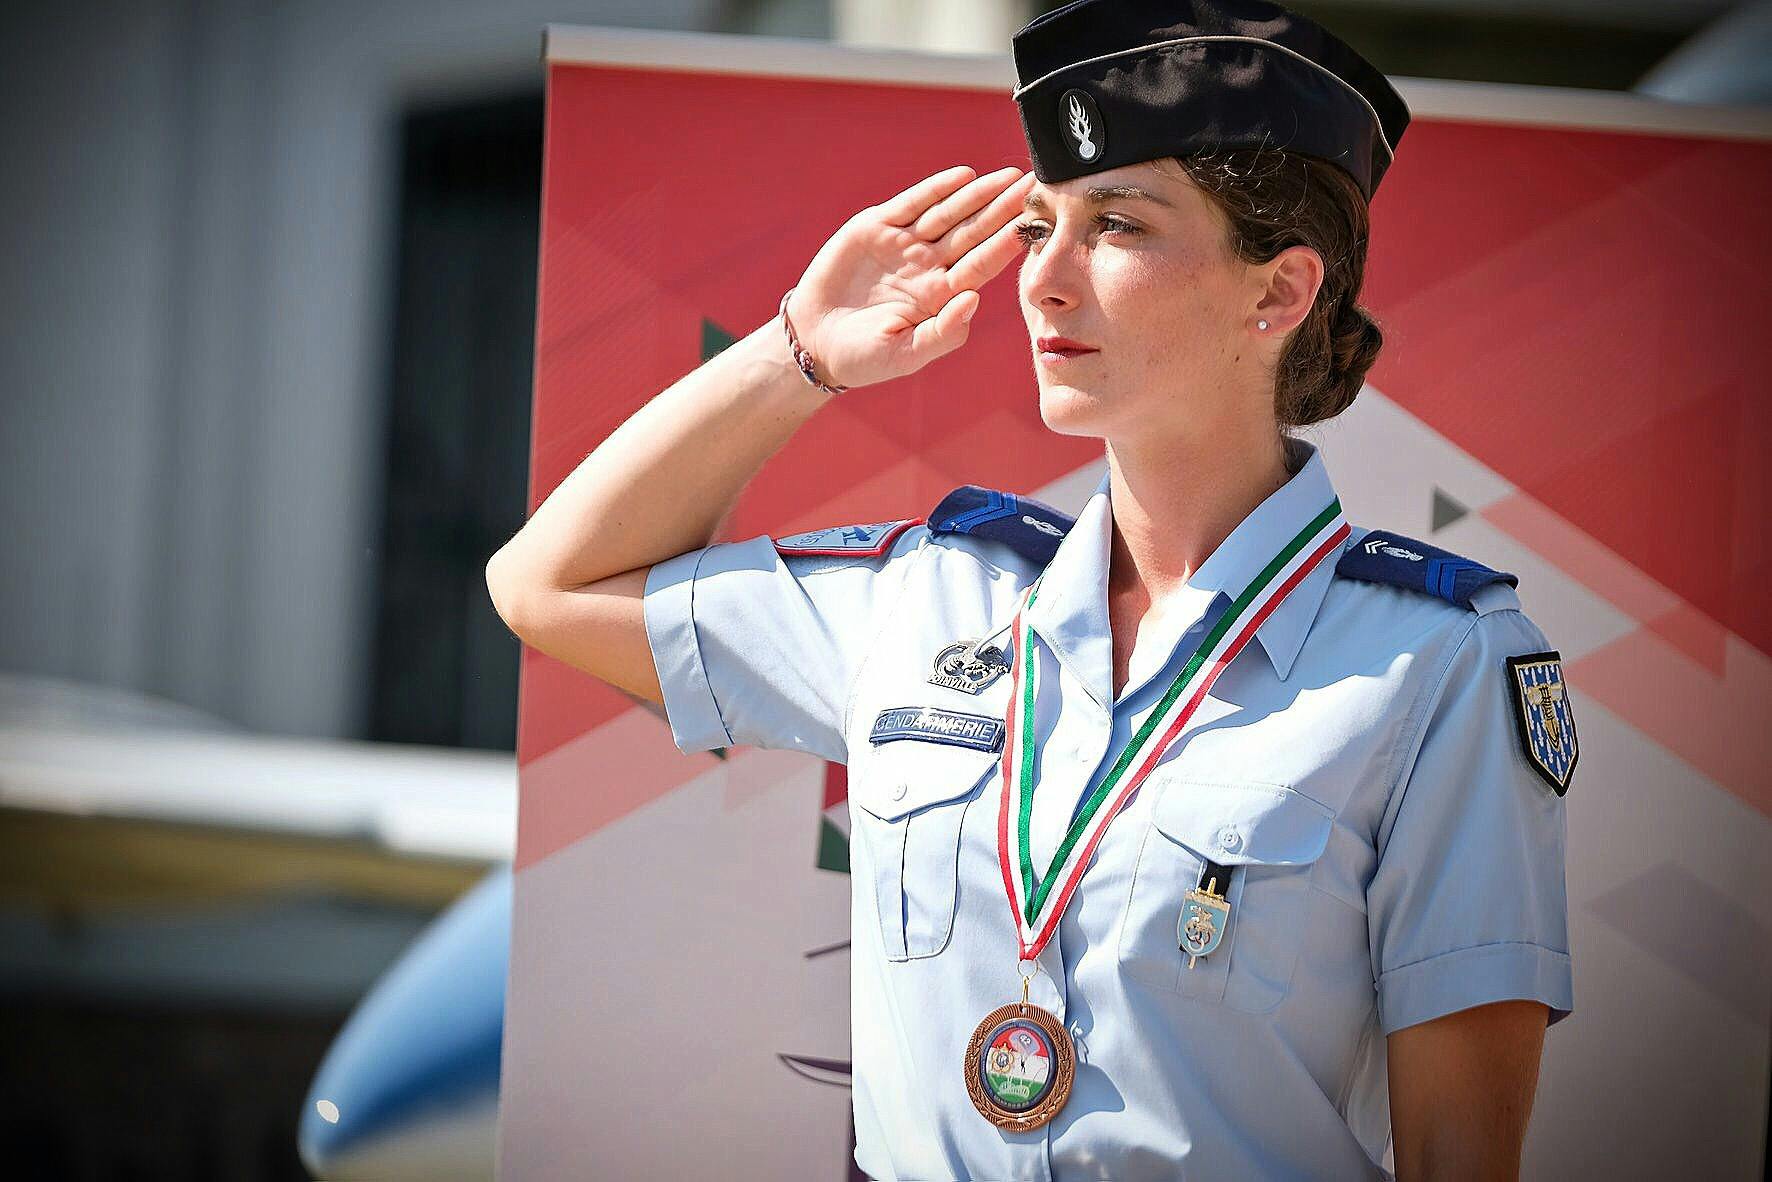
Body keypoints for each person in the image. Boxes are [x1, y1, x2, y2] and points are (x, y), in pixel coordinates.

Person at [485, 0, 1577, 1177]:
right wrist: (797, 350)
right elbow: (548, 583)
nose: (1042, 280)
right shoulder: (927, 598)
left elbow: (1458, 1156)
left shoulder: (1440, 664)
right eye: (1037, 225)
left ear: (1277, 292)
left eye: (1113, 225)